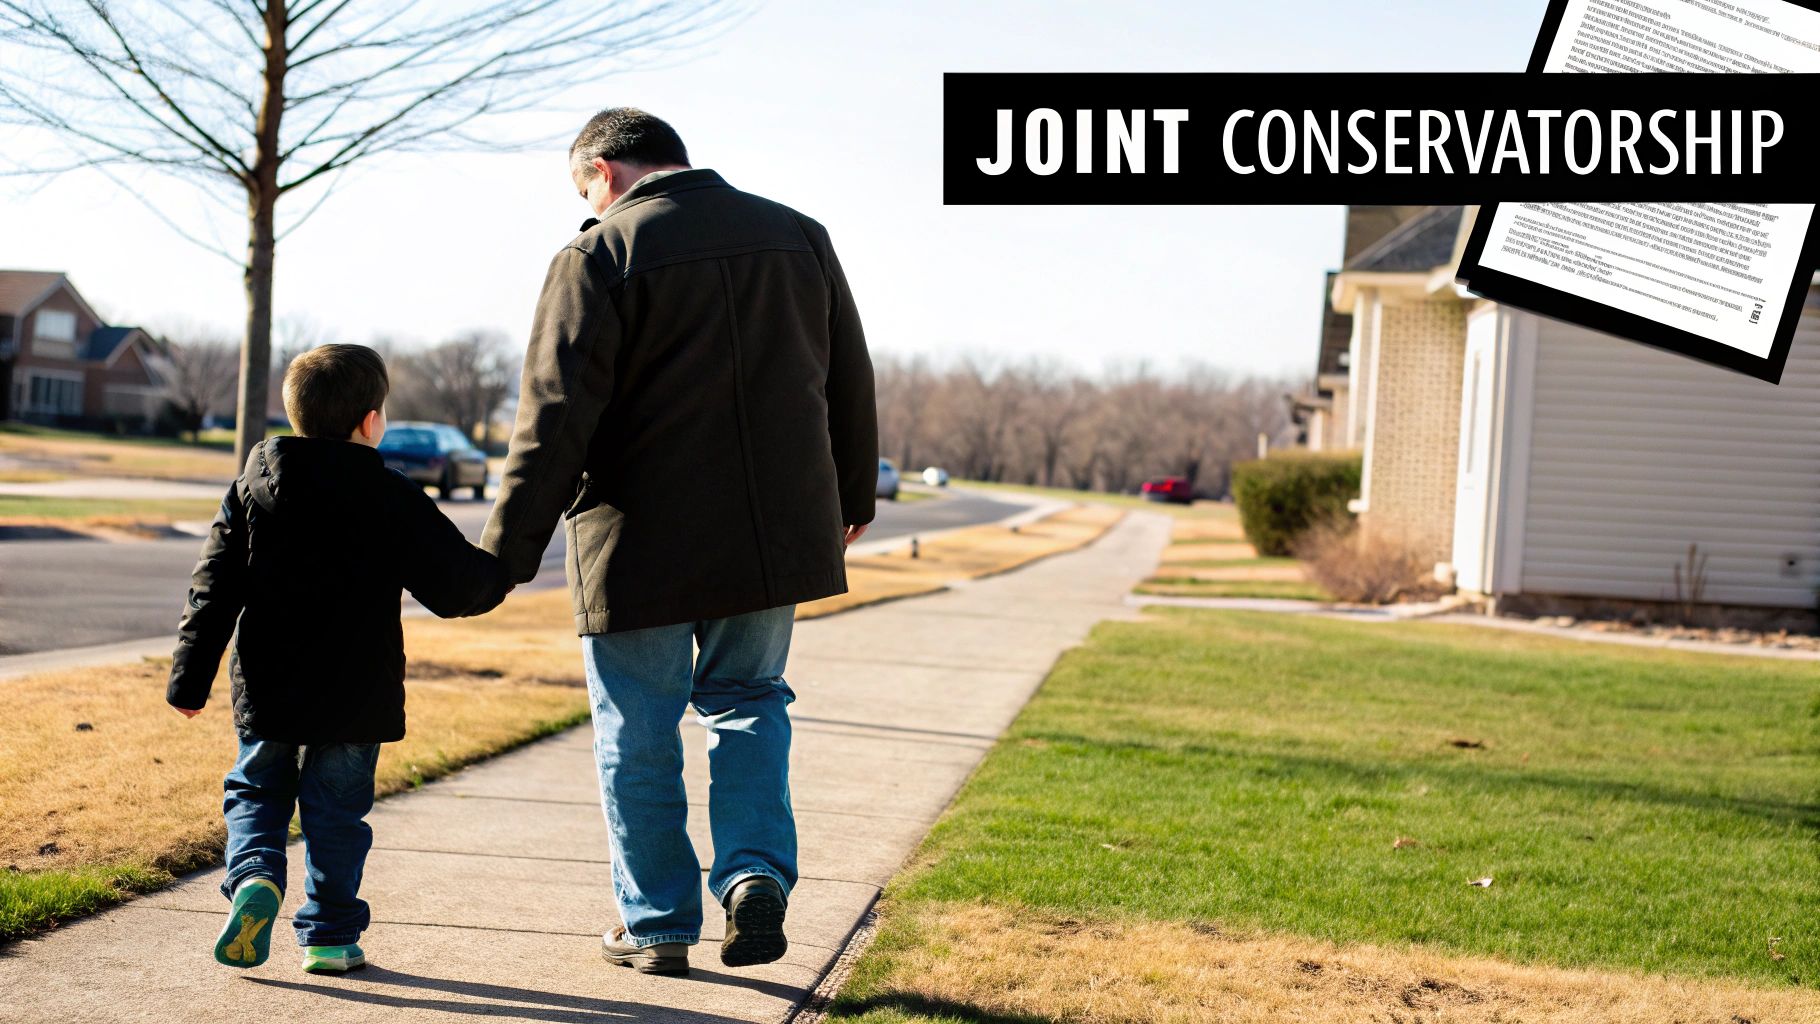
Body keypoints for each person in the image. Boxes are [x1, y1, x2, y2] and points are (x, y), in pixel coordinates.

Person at [482, 108, 878, 976]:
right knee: (749, 700)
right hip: (771, 537)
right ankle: (752, 877)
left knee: (639, 726)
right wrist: (852, 497)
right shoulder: (799, 236)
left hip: (639, 541)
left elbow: (554, 418)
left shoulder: (599, 255)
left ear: (602, 172)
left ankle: (659, 924)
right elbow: (846, 373)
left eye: (583, 191)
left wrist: (505, 555)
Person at [166, 344, 510, 974]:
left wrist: (190, 680)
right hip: (357, 687)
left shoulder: (252, 485)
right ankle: (327, 936)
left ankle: (254, 879)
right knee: (337, 813)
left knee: (256, 788)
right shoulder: (389, 493)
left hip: (270, 682)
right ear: (371, 421)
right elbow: (456, 585)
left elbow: (212, 587)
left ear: (294, 413)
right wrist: (502, 570)